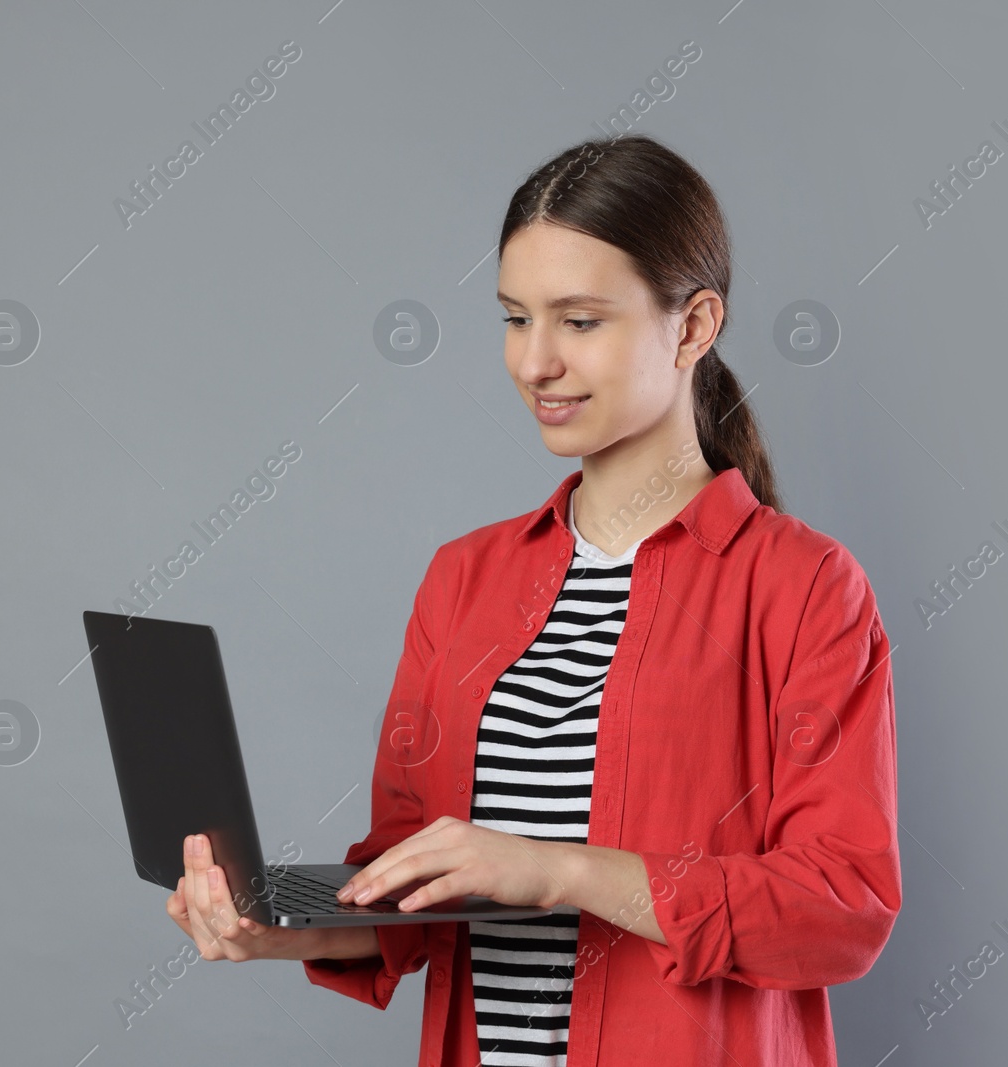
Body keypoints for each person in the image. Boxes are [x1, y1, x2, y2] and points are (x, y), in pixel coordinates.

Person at [166, 133, 900, 1066]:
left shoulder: (803, 588)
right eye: (516, 318)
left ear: (694, 325)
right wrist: (281, 926)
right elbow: (416, 890)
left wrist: (554, 870)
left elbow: (840, 908)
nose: (535, 362)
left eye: (580, 321)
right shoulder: (463, 579)